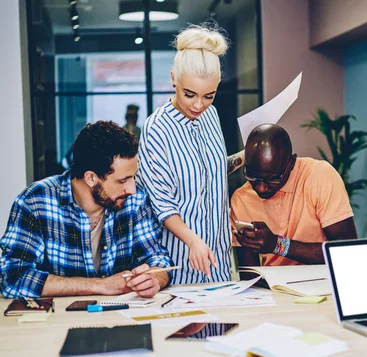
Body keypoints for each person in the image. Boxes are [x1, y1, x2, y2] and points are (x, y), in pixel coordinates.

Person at [0, 121, 173, 298]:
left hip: (122, 319)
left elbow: (157, 258)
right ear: (91, 178)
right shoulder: (35, 201)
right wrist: (100, 286)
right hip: (58, 322)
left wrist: (155, 278)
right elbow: (12, 277)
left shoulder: (134, 200)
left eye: (133, 177)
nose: (132, 189)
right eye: (123, 181)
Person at [137, 24, 244, 285]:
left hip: (219, 256)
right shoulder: (156, 128)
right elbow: (160, 202)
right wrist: (193, 240)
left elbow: (211, 171)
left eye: (209, 95)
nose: (199, 105)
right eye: (190, 94)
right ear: (174, 78)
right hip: (180, 259)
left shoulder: (211, 115)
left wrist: (245, 155)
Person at [230, 124, 358, 266]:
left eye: (273, 179)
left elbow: (347, 251)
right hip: (273, 286)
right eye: (252, 177)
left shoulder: (319, 176)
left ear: (291, 164)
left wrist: (277, 245)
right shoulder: (241, 199)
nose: (261, 188)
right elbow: (250, 275)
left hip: (322, 282)